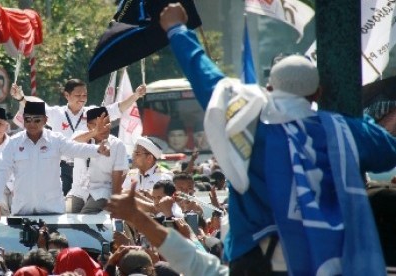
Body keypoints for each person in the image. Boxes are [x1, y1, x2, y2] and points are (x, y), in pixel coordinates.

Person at [159, 3, 396, 275]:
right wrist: (359, 123)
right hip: (327, 260)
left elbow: (206, 79)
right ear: (318, 94)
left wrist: (177, 30)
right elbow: (388, 151)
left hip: (255, 262)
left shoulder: (247, 124)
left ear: (270, 89)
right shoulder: (343, 130)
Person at [10, 79, 146, 196]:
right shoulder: (56, 113)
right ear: (66, 95)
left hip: (86, 168)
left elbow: (118, 108)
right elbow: (34, 108)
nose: (82, 98)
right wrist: (20, 98)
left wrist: (136, 95)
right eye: (78, 95)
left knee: (81, 206)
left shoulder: (92, 112)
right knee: (61, 202)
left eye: (85, 95)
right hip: (62, 168)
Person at [0, 101, 110, 221]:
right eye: (28, 120)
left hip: (52, 210)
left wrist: (98, 150)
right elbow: (3, 172)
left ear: (45, 120)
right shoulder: (14, 143)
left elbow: (76, 148)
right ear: (23, 120)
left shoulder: (55, 140)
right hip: (22, 210)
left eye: (37, 120)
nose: (32, 124)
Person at [106, 183, 229, 276]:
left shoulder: (178, 219)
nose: (156, 202)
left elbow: (191, 260)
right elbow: (196, 261)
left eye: (160, 197)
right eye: (154, 198)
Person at [67, 106, 128, 214]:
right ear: (89, 126)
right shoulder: (80, 137)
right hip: (78, 192)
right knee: (65, 219)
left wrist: (115, 204)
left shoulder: (117, 145)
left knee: (86, 216)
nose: (104, 128)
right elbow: (69, 145)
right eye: (98, 125)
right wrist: (95, 132)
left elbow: (117, 176)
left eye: (107, 123)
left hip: (101, 191)